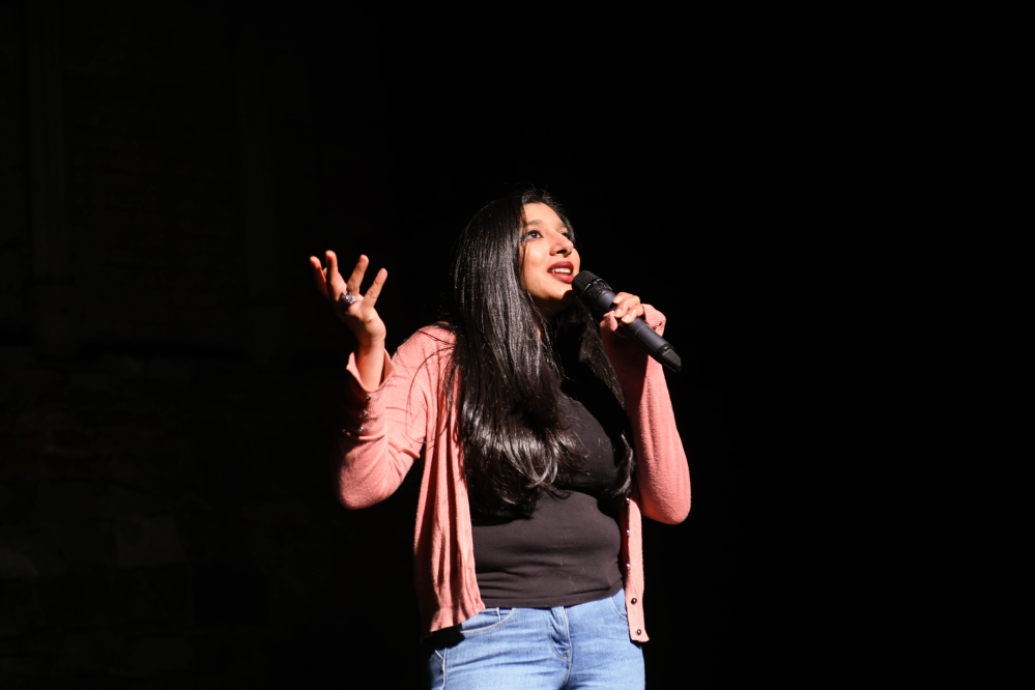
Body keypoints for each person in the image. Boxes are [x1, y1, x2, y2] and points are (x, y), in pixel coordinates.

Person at [308, 187, 690, 690]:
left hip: (608, 632)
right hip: (494, 636)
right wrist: (370, 346)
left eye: (567, 236)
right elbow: (362, 486)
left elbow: (671, 504)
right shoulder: (438, 354)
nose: (563, 247)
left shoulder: (594, 357)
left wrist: (637, 369)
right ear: (493, 257)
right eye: (535, 234)